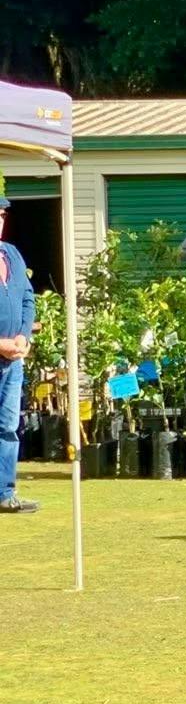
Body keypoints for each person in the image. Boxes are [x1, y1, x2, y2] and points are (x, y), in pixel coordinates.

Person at [0, 189, 37, 515]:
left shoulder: (11, 254)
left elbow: (28, 299)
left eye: (0, 216)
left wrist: (23, 337)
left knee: (9, 426)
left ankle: (4, 493)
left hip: (12, 361)